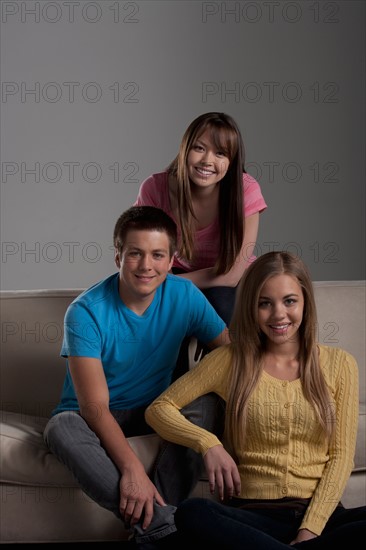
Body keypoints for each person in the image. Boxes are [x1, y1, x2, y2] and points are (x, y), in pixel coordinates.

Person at [145, 251, 365, 548]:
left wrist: (309, 530)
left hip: (320, 519)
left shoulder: (340, 365)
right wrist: (208, 444)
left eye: (289, 301)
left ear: (305, 302)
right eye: (265, 303)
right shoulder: (230, 360)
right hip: (252, 519)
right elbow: (159, 409)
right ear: (251, 306)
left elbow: (340, 457)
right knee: (192, 513)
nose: (278, 315)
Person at [43, 205, 230, 548]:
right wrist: (131, 470)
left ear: (172, 259)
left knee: (206, 403)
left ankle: (155, 530)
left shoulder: (185, 296)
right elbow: (95, 407)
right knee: (60, 428)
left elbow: (231, 354)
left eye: (158, 255)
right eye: (135, 254)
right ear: (118, 257)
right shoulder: (85, 311)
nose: (147, 266)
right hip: (93, 418)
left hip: (156, 410)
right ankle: (163, 527)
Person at [134, 111, 267, 326]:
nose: (207, 161)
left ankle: (220, 360)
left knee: (221, 306)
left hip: (229, 277)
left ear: (232, 161)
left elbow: (232, 274)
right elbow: (139, 246)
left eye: (221, 153)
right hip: (176, 272)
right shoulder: (155, 188)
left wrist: (166, 282)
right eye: (199, 148)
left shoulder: (246, 189)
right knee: (163, 315)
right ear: (185, 149)